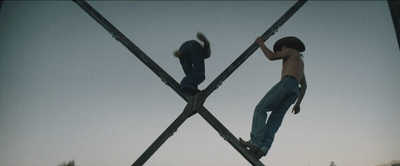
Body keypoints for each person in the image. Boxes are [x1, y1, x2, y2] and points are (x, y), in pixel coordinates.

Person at [240, 36, 307, 159]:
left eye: (281, 49)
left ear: (285, 46)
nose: (281, 52)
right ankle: (263, 148)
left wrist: (260, 43)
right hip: (294, 90)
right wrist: (298, 103)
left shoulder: (290, 51)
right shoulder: (300, 62)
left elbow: (271, 56)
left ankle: (255, 142)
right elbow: (304, 85)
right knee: (275, 119)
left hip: (286, 82)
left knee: (261, 108)